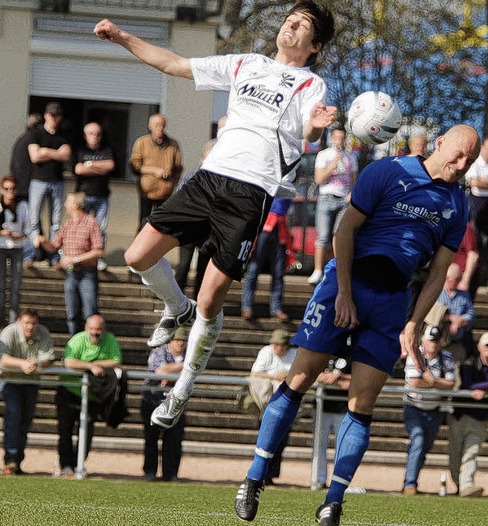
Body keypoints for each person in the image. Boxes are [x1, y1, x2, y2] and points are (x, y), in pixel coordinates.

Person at [93, 0, 338, 438]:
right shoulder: (246, 63)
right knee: (137, 255)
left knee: (211, 300)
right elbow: (174, 63)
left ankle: (182, 387)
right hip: (208, 181)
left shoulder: (310, 84)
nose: (290, 25)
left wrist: (317, 129)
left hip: (250, 193)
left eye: (302, 24)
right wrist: (122, 37)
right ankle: (175, 307)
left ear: (314, 44)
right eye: (289, 18)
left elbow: (307, 134)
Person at [235, 123, 479, 525]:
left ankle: (333, 502)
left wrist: (413, 323)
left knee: (362, 403)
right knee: (298, 381)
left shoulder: (457, 203)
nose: (462, 163)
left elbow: (438, 273)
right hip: (344, 284)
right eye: (458, 153)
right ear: (440, 144)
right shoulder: (388, 172)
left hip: (391, 302)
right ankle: (255, 477)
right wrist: (344, 293)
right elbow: (344, 229)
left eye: (470, 159)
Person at [56, 315, 122, 477]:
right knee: (65, 430)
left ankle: (78, 463)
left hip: (92, 395)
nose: (95, 332)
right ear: (86, 328)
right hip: (69, 391)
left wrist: (94, 365)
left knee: (87, 432)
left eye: (98, 329)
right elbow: (69, 362)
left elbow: (116, 361)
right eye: (92, 329)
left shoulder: (110, 339)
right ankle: (66, 466)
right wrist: (90, 366)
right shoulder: (77, 340)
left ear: (104, 330)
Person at [448, 332, 488, 498]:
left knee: (472, 451)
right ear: (480, 347)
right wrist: (487, 384)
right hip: (460, 414)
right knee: (455, 454)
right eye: (487, 345)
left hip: (481, 416)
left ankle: (467, 485)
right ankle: (459, 484)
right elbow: (467, 384)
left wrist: (485, 389)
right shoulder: (468, 363)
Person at [36, 192, 103, 335]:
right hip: (71, 274)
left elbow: (98, 251)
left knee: (90, 313)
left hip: (87, 274)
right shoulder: (67, 224)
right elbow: (54, 246)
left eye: (68, 202)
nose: (65, 205)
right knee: (72, 314)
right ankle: (74, 346)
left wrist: (75, 259)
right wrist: (43, 241)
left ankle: (91, 348)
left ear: (76, 205)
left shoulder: (91, 223)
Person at [402, 325, 455, 495]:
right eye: (431, 340)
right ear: (424, 340)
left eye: (436, 340)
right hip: (414, 407)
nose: (433, 343)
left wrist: (430, 380)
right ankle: (410, 484)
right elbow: (414, 383)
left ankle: (411, 478)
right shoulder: (415, 353)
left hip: (434, 408)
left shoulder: (445, 357)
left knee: (424, 446)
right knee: (417, 439)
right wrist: (437, 383)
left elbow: (451, 384)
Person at [0, 309, 54, 474]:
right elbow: (2, 358)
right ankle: (10, 459)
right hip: (11, 381)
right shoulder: (9, 332)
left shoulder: (43, 332)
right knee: (14, 417)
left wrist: (37, 363)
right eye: (27, 323)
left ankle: (17, 461)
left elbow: (49, 358)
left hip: (31, 382)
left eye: (33, 323)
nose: (30, 327)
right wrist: (23, 364)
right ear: (19, 322)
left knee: (25, 422)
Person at [308, 126, 359, 286]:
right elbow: (318, 179)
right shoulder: (324, 155)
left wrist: (352, 194)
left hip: (343, 200)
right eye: (337, 138)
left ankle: (338, 270)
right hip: (327, 198)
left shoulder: (351, 157)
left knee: (340, 237)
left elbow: (354, 180)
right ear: (332, 138)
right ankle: (317, 270)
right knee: (323, 236)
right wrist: (333, 165)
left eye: (342, 138)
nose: (339, 141)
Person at [250, 329, 298, 485]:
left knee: (282, 439)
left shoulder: (294, 354)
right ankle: (262, 472)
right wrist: (274, 376)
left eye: (280, 345)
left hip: (285, 401)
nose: (276, 347)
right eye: (275, 344)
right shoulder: (266, 352)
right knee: (265, 438)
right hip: (267, 401)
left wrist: (287, 375)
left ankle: (270, 473)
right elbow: (255, 373)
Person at [26, 101, 71, 267]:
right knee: (33, 219)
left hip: (57, 180)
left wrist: (45, 151)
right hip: (38, 180)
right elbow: (35, 157)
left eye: (57, 115)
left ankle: (54, 257)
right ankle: (30, 254)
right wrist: (54, 153)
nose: (54, 119)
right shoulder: (36, 134)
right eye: (52, 115)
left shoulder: (62, 135)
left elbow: (66, 156)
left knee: (56, 221)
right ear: (46, 115)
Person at [141, 327, 188, 482]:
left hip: (176, 404)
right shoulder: (159, 351)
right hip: (153, 401)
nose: (180, 343)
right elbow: (160, 370)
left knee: (174, 441)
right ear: (170, 341)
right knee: (151, 438)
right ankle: (150, 472)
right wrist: (184, 367)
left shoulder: (189, 355)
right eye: (177, 340)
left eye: (183, 340)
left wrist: (171, 372)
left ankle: (171, 474)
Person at [173, 137, 219, 298]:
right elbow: (179, 199)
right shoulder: (191, 177)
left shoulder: (222, 182)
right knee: (183, 266)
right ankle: (176, 302)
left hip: (209, 231)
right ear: (202, 157)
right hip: (190, 228)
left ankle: (198, 304)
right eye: (208, 156)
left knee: (203, 270)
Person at [241, 197, 294, 321]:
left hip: (279, 224)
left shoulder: (287, 180)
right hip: (263, 224)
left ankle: (276, 308)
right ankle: (247, 307)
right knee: (253, 270)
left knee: (278, 272)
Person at [130, 113, 183, 230]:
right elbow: (135, 166)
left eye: (162, 125)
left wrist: (172, 182)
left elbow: (178, 168)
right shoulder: (142, 142)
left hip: (165, 192)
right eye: (157, 125)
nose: (160, 127)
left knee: (161, 225)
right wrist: (154, 171)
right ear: (150, 126)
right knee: (144, 223)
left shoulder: (173, 145)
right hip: (146, 192)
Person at [74, 122, 115, 271]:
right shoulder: (80, 150)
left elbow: (110, 166)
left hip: (102, 195)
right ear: (85, 135)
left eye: (97, 134)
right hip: (83, 195)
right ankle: (81, 256)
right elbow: (78, 169)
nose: (95, 137)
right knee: (81, 228)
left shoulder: (106, 149)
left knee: (100, 228)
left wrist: (89, 165)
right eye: (91, 133)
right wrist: (99, 168)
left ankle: (98, 258)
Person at [311, 354, 351, 491]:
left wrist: (337, 377)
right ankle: (318, 480)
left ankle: (339, 482)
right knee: (319, 445)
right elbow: (313, 374)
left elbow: (356, 379)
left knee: (342, 447)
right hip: (322, 406)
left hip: (344, 408)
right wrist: (337, 380)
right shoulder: (322, 353)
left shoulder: (350, 354)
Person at [465, 135, 488, 267]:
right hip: (477, 200)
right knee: (475, 234)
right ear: (482, 148)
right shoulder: (474, 162)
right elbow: (474, 183)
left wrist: (485, 182)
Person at [0, 175, 30, 325]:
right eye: (6, 189)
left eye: (12, 188)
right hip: (1, 247)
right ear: (2, 190)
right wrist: (2, 233)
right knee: (0, 285)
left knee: (15, 286)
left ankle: (13, 321)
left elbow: (28, 228)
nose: (10, 192)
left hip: (17, 247)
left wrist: (19, 236)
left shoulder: (22, 205)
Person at [437, 262, 474, 361]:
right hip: (437, 341)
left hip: (456, 342)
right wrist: (450, 318)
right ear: (447, 279)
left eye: (459, 278)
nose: (459, 282)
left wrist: (460, 320)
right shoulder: (437, 293)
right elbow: (431, 314)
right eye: (456, 279)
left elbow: (471, 314)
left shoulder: (464, 295)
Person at [10, 113, 43, 203]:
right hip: (25, 186)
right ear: (40, 126)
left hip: (20, 184)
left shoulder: (22, 138)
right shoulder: (32, 140)